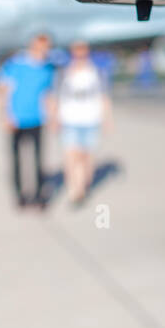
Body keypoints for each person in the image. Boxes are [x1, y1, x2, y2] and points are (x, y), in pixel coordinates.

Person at [0, 33, 56, 208]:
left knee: (38, 159)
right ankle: (20, 194)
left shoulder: (47, 68)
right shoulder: (15, 64)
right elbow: (3, 90)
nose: (43, 51)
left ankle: (39, 195)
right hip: (16, 119)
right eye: (40, 47)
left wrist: (53, 116)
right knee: (17, 159)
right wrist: (5, 115)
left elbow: (48, 94)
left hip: (37, 118)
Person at [53, 40, 111, 206]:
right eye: (76, 51)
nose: (79, 54)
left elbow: (104, 97)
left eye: (83, 51)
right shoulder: (64, 73)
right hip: (70, 120)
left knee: (87, 157)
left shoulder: (96, 72)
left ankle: (83, 185)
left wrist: (107, 119)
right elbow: (56, 97)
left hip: (91, 120)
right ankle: (75, 190)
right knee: (71, 156)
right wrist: (54, 117)